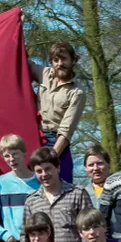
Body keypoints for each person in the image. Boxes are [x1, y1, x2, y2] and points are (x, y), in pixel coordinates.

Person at [28, 41, 86, 183]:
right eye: (55, 60)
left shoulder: (77, 92)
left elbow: (66, 131)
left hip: (57, 142)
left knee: (62, 187)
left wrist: (51, 157)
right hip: (34, 137)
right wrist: (16, 27)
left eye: (64, 59)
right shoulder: (45, 74)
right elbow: (23, 61)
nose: (60, 63)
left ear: (73, 60)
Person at [21, 146, 92, 242]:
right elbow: (24, 235)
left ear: (58, 167)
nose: (44, 174)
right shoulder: (31, 201)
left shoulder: (77, 193)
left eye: (48, 169)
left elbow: (88, 228)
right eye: (39, 171)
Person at [0, 134, 39, 242]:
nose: (11, 159)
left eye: (15, 154)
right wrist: (6, 235)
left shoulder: (40, 182)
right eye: (7, 156)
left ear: (24, 152)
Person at [83, 144, 111, 209]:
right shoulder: (83, 193)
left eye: (100, 163)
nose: (96, 168)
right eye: (91, 165)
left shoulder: (118, 188)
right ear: (86, 168)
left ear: (108, 164)